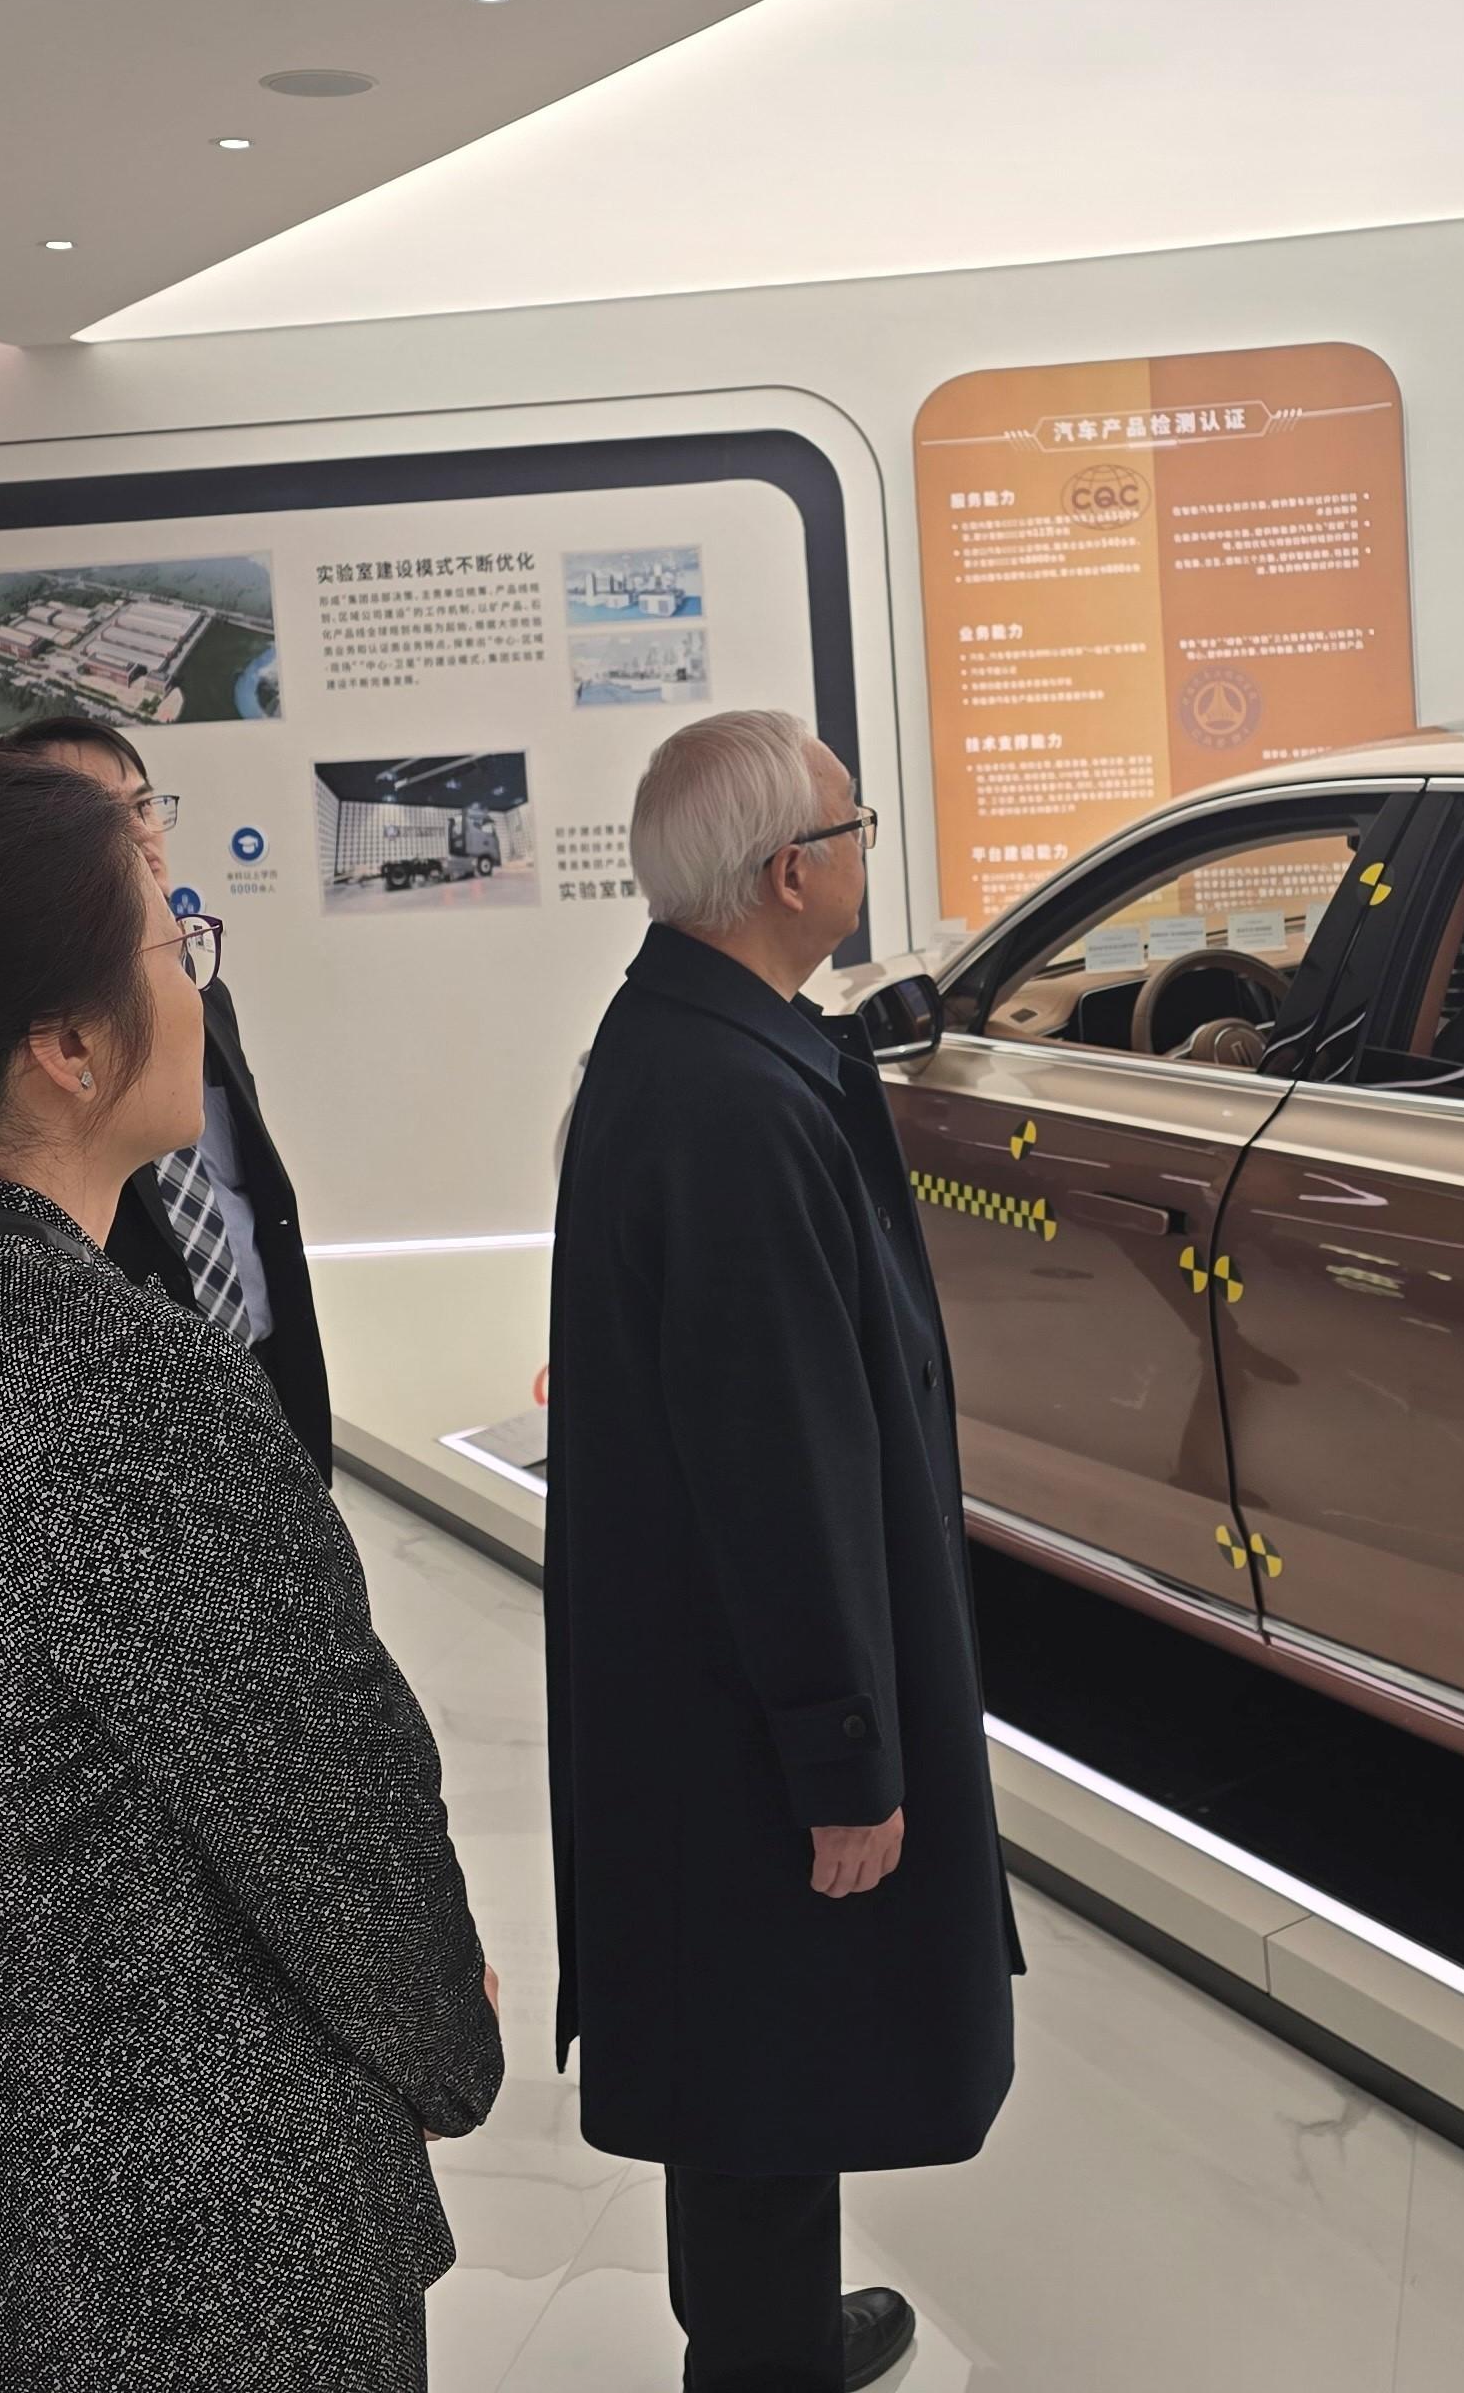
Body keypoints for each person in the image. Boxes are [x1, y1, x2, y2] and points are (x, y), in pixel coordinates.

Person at [0, 746, 502, 2389]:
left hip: (0, 2216)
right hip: (209, 2248)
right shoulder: (117, 1375)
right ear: (68, 1047)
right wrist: (447, 2036)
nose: (197, 983)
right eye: (173, 942)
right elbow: (333, 1806)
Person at [545, 709, 1013, 2393]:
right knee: (753, 2028)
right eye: (855, 819)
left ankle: (763, 2329)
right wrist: (841, 1750)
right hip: (745, 1695)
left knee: (751, 2026)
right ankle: (755, 2362)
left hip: (704, 1676)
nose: (867, 845)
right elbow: (782, 1464)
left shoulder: (704, 1047)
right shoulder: (729, 1103)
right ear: (789, 870)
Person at [0, 717, 332, 1475]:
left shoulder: (203, 999)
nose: (136, 837)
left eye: (140, 807)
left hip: (253, 1376)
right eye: (93, 816)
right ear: (66, 1044)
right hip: (127, 1430)